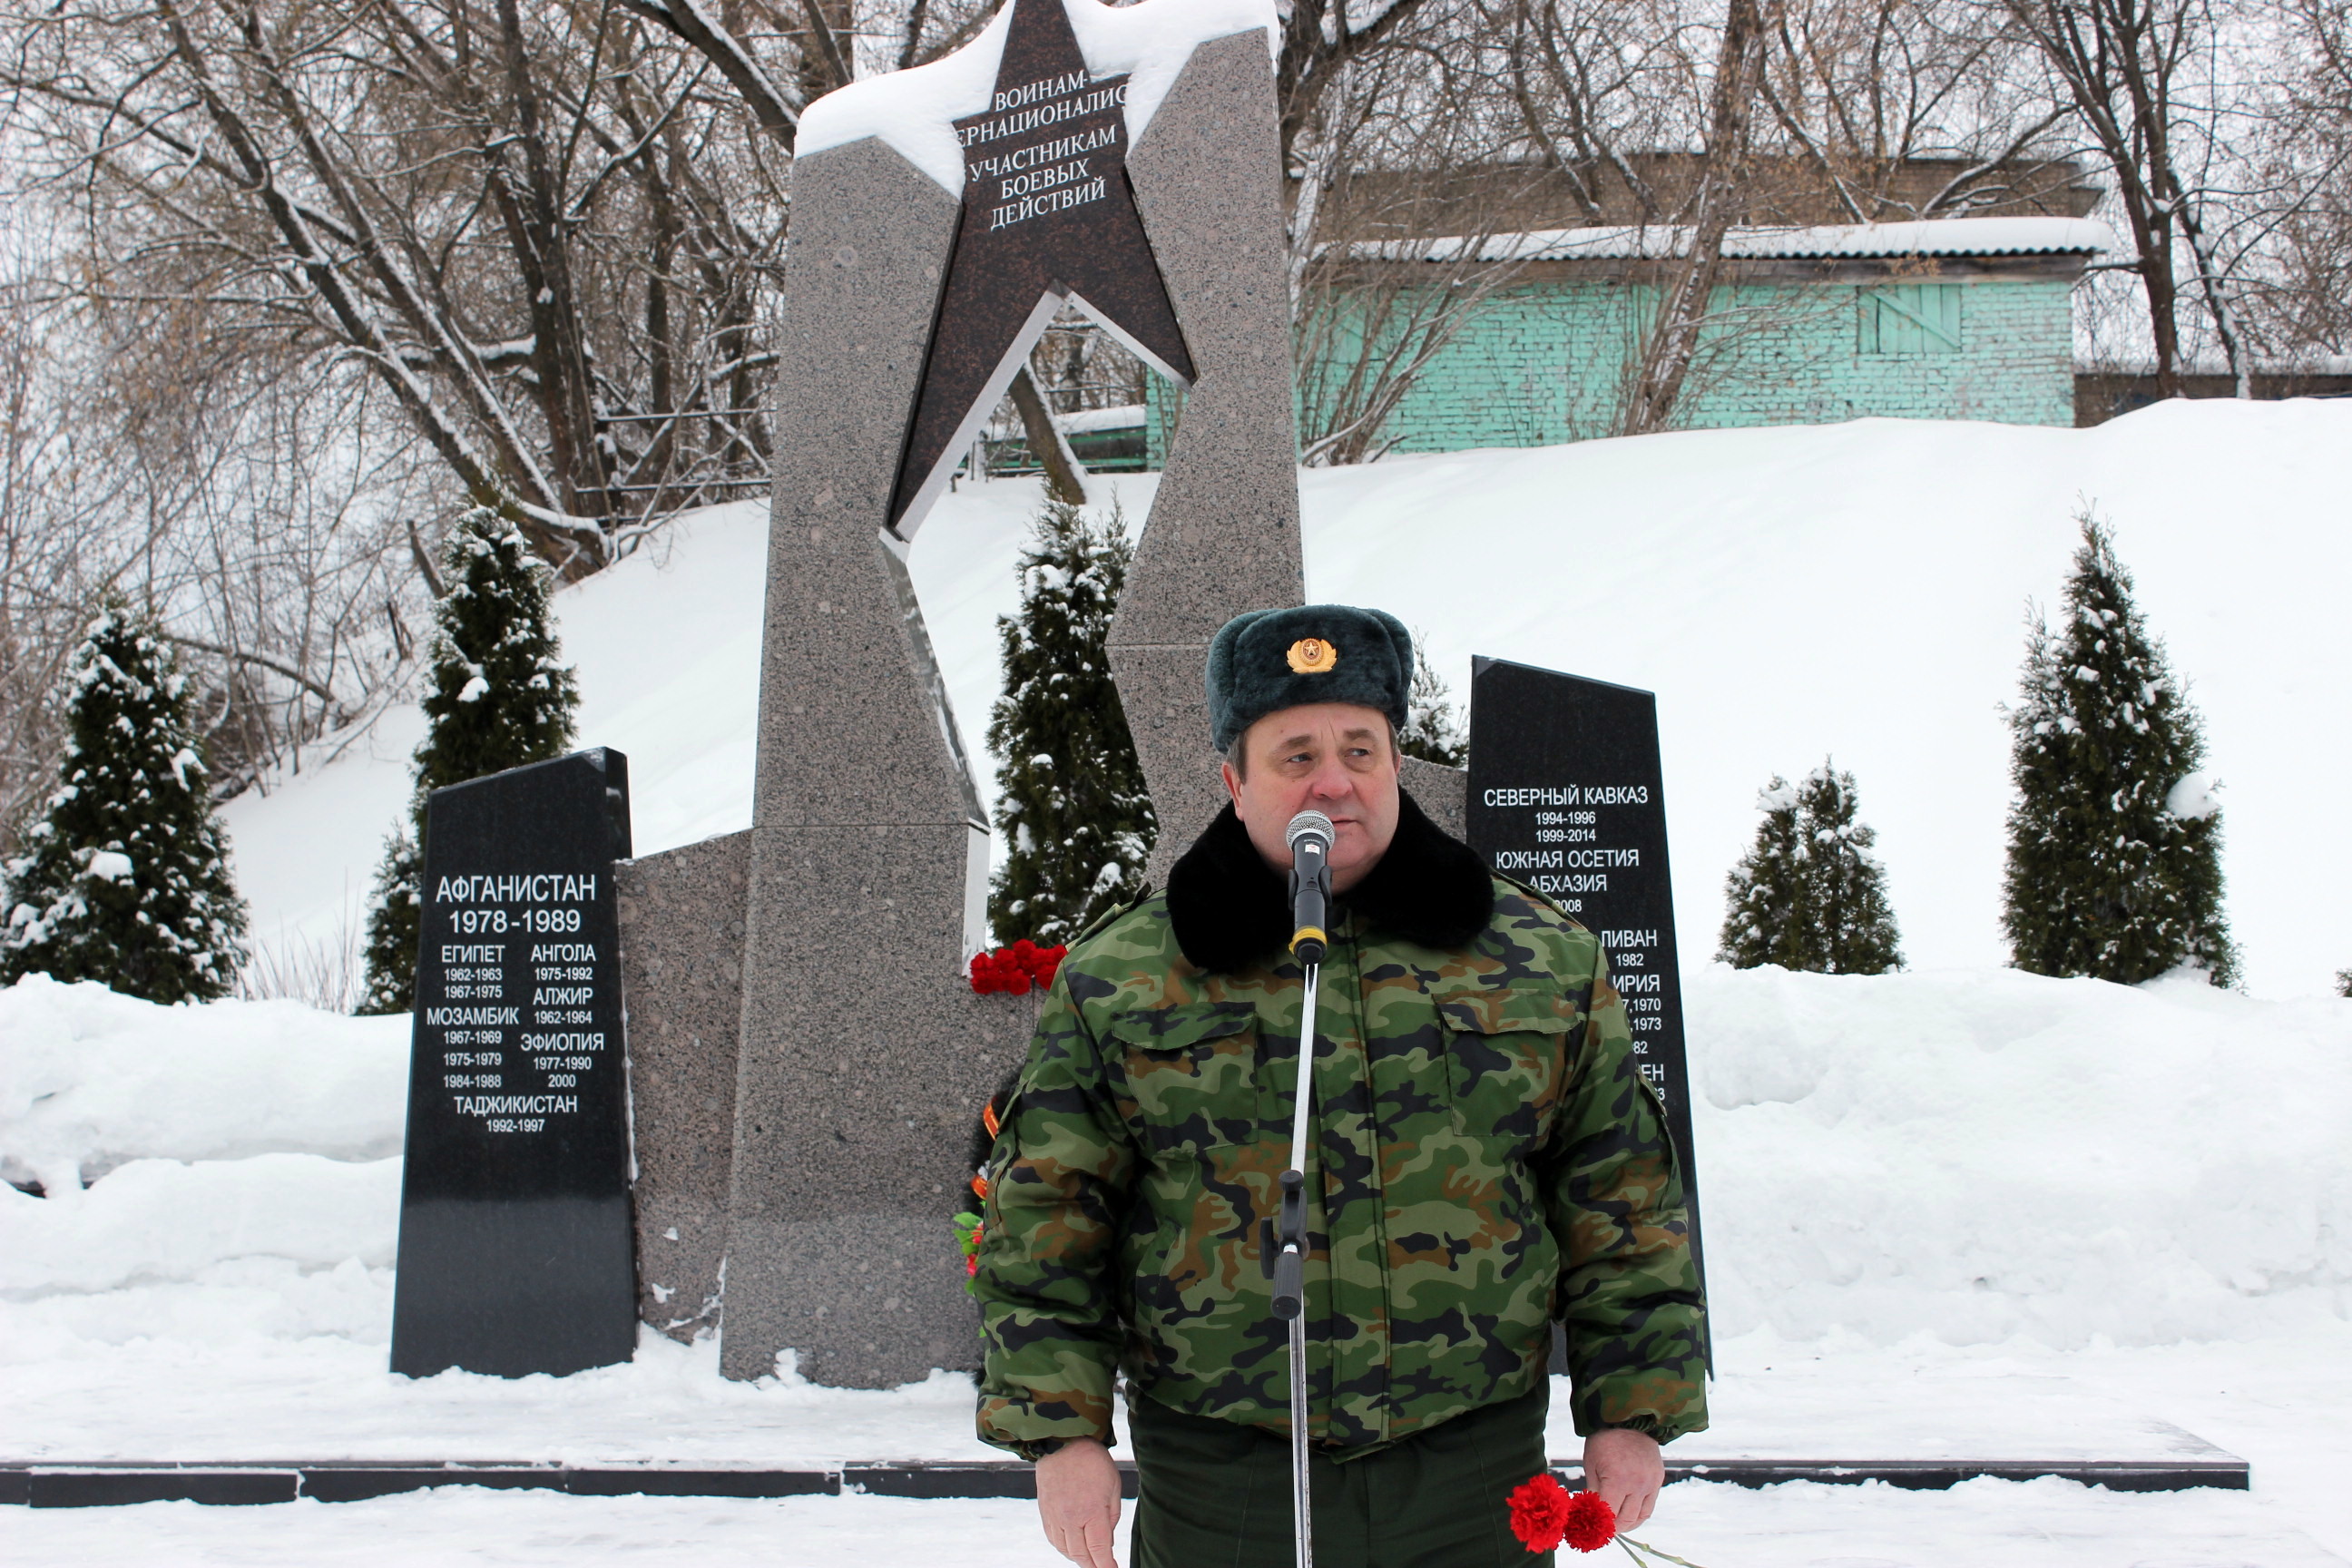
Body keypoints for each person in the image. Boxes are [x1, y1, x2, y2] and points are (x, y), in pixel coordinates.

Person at [972, 605, 1707, 1568]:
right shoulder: (1126, 976)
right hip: (1222, 1477)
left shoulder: (1539, 958)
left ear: (1397, 763)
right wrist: (1063, 1436)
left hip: (1466, 1467)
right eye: (1296, 755)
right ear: (1233, 782)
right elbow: (1048, 1216)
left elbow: (1622, 1195)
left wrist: (1632, 1411)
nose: (1335, 781)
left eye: (1362, 748)